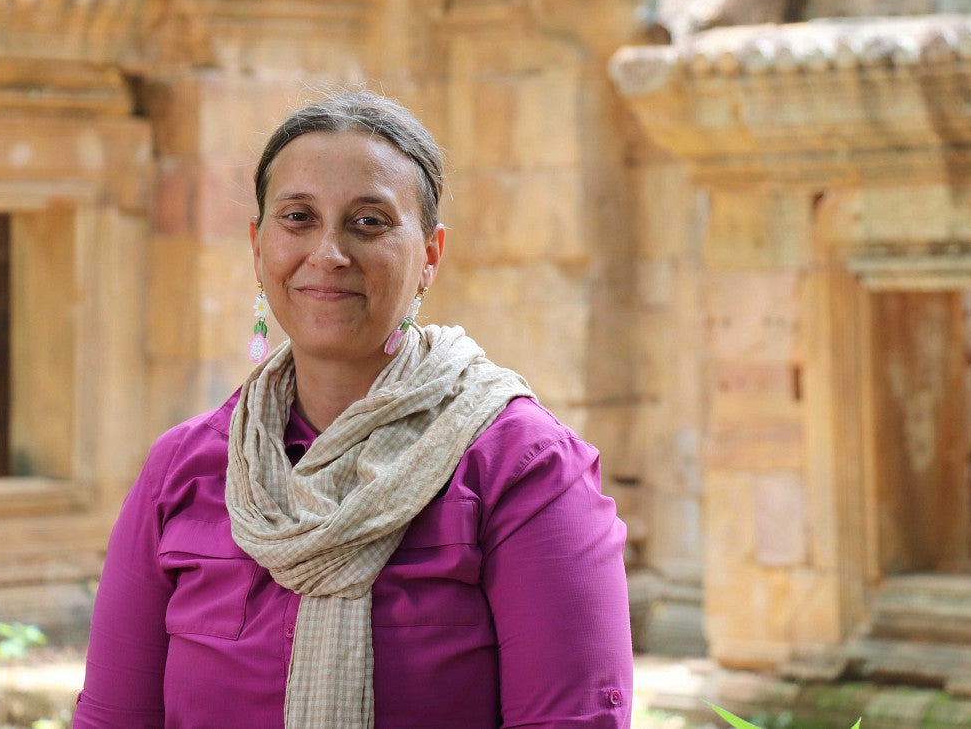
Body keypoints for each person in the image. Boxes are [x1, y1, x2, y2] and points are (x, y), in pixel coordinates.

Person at [72, 92, 633, 729]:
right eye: (298, 218)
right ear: (258, 247)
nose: (330, 253)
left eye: (368, 221)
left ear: (429, 255)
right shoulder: (185, 470)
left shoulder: (523, 470)